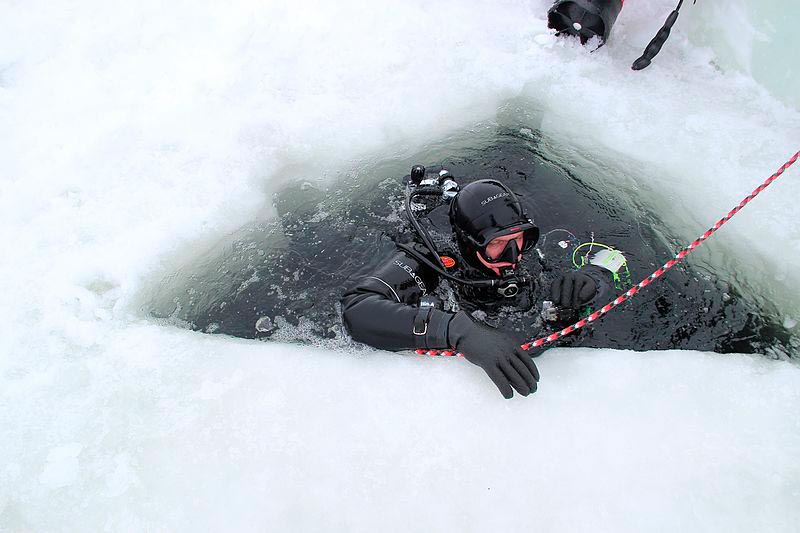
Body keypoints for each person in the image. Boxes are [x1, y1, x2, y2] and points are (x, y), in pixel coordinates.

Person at [341, 167, 622, 398]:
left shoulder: (535, 252)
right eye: (497, 243)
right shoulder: (433, 258)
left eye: (518, 239)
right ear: (469, 243)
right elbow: (358, 309)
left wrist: (596, 277)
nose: (513, 255)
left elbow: (619, 254)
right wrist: (455, 330)